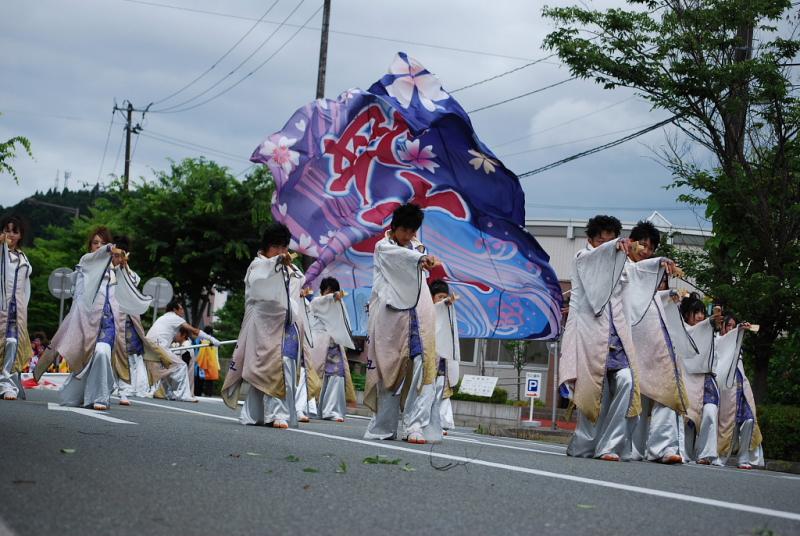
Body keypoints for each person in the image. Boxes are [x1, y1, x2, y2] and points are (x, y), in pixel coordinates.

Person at [559, 215, 677, 461]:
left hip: (618, 336)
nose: (607, 243)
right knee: (593, 392)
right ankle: (584, 444)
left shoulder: (623, 263)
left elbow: (639, 270)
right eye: (600, 239)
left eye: (611, 239)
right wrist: (611, 247)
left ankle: (610, 445)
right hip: (590, 334)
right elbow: (595, 258)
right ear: (590, 239)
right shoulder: (582, 258)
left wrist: (660, 262)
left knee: (626, 382)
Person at [363, 204, 440, 445]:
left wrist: (422, 256)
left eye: (412, 231)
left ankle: (414, 424)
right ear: (394, 227)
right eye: (404, 230)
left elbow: (416, 266)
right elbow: (400, 259)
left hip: (418, 316)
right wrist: (421, 258)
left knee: (419, 366)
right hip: (390, 316)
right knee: (390, 369)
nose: (407, 236)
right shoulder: (383, 247)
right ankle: (383, 425)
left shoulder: (418, 248)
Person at [221, 223, 309, 429]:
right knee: (263, 369)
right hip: (262, 326)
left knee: (284, 365)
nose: (280, 252)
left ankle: (270, 414)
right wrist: (278, 263)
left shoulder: (290, 269)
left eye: (284, 247)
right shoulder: (257, 265)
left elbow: (298, 283)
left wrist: (284, 266)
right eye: (276, 247)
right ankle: (266, 414)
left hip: (285, 325)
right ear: (266, 247)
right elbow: (259, 281)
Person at [36, 227, 122, 410]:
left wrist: (123, 264)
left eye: (103, 243)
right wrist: (106, 250)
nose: (98, 246)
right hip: (86, 323)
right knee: (85, 363)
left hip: (108, 323)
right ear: (90, 246)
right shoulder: (85, 263)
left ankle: (100, 397)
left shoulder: (114, 271)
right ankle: (85, 394)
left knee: (101, 353)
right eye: (95, 243)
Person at [627, 221, 689, 464]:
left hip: (657, 347)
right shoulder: (622, 266)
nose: (646, 251)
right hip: (633, 345)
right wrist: (657, 261)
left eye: (651, 248)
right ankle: (633, 447)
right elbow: (635, 275)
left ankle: (663, 448)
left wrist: (669, 294)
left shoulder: (652, 278)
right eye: (642, 244)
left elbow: (654, 293)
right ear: (631, 242)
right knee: (637, 399)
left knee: (665, 394)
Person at [678, 293, 725, 464]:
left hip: (707, 379)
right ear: (686, 315)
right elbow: (694, 332)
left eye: (702, 312)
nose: (700, 316)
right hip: (687, 377)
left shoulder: (708, 329)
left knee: (710, 413)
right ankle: (684, 452)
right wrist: (709, 322)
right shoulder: (682, 329)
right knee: (687, 419)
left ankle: (706, 453)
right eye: (695, 312)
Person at [715, 315, 764, 469]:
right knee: (728, 423)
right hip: (726, 387)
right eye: (728, 325)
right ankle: (722, 456)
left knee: (749, 419)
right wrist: (738, 330)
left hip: (742, 384)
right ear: (722, 326)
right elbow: (725, 343)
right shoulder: (717, 340)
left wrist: (739, 330)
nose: (731, 328)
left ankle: (743, 458)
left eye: (733, 325)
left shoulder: (737, 342)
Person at [145, 300, 218, 403]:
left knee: (169, 367)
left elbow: (170, 335)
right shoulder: (175, 318)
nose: (183, 311)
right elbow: (194, 330)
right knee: (181, 366)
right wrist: (211, 338)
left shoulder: (163, 318)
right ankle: (183, 394)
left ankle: (168, 392)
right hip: (158, 345)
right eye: (181, 309)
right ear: (175, 310)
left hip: (149, 345)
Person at [109, 236, 153, 405]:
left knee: (123, 355)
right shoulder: (105, 271)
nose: (118, 258)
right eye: (116, 254)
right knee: (105, 354)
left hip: (123, 322)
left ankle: (123, 390)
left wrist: (125, 267)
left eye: (122, 255)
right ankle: (105, 387)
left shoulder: (131, 275)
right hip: (105, 317)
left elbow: (134, 282)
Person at [307, 277, 357, 422]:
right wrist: (333, 296)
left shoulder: (338, 303)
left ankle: (331, 410)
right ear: (323, 291)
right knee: (315, 376)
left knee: (337, 375)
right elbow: (323, 301)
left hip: (334, 345)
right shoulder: (316, 302)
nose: (331, 294)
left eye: (333, 291)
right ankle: (311, 407)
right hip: (319, 343)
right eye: (329, 291)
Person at [0, 216, 33, 401]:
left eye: (15, 231)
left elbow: (25, 288)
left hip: (16, 312)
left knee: (12, 343)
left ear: (20, 235)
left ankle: (7, 384)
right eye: (7, 229)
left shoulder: (23, 259)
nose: (10, 234)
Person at [429, 279, 460, 435]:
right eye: (439, 297)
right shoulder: (428, 311)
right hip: (430, 359)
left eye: (444, 297)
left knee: (443, 391)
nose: (442, 300)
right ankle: (426, 422)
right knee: (429, 391)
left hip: (443, 362)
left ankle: (441, 423)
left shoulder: (448, 313)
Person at [195, 327, 220, 397]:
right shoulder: (214, 341)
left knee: (199, 379)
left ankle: (197, 393)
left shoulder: (200, 340)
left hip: (201, 362)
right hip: (211, 363)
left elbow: (196, 349)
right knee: (210, 380)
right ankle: (208, 394)